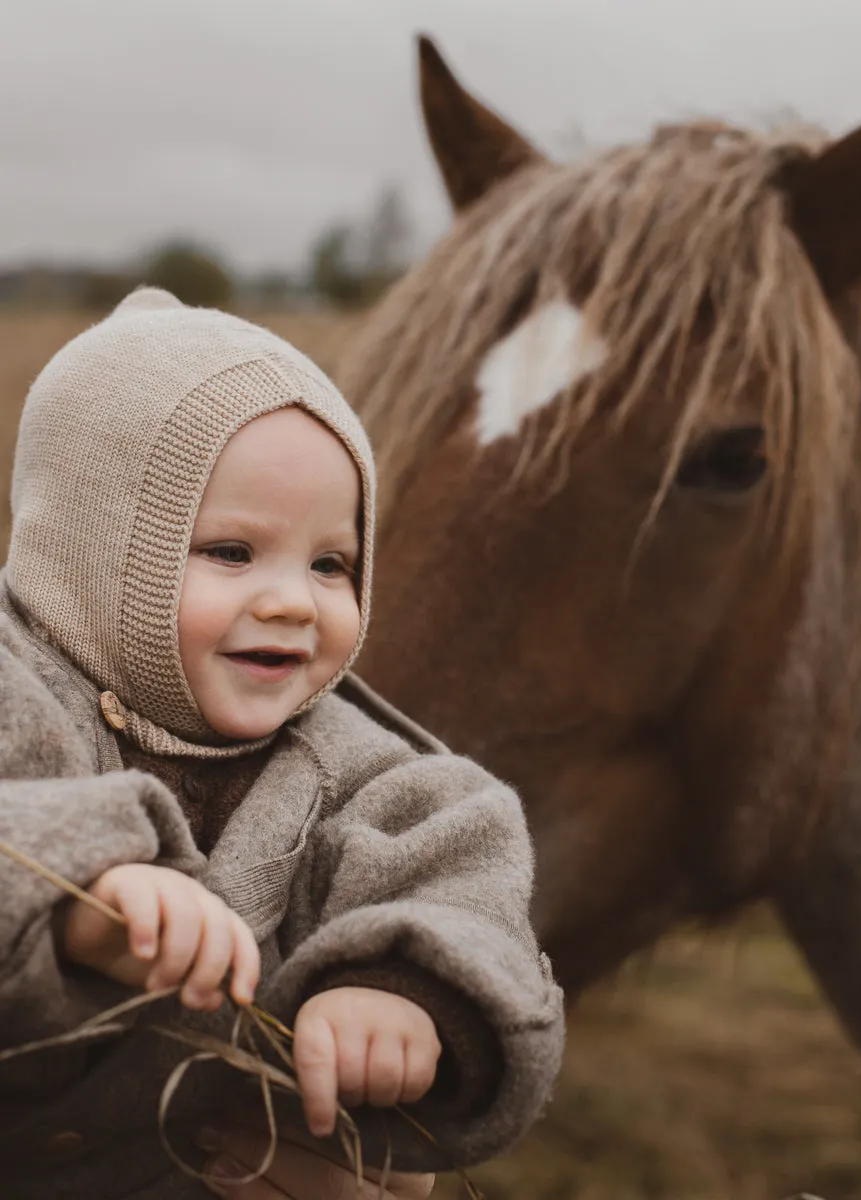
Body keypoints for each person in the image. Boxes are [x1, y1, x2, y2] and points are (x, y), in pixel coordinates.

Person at [0, 287, 564, 1199]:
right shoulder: (15, 691)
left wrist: (400, 989)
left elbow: (459, 871)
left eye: (330, 564)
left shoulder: (353, 764)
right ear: (88, 548)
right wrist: (78, 894)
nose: (294, 601)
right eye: (231, 552)